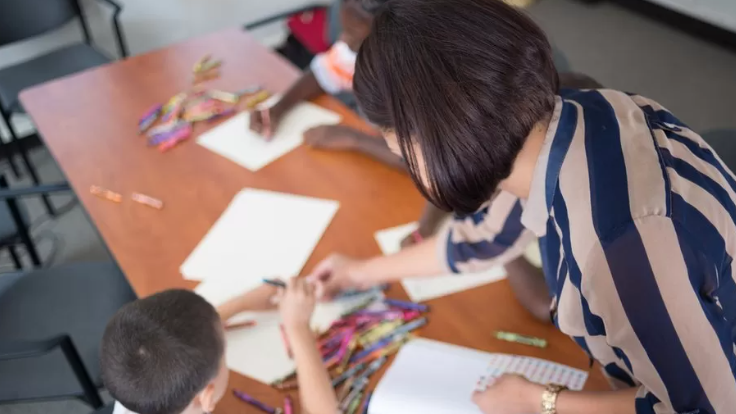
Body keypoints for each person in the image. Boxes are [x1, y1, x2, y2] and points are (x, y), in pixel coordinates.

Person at [307, 0, 736, 413]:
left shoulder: (619, 250)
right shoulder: (568, 114)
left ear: (428, 141)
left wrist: (542, 402)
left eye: (396, 144)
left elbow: (701, 409)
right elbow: (484, 240)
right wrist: (357, 272)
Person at [101, 281, 338, 414]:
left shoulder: (133, 375)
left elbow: (170, 335)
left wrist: (241, 303)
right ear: (208, 396)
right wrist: (298, 327)